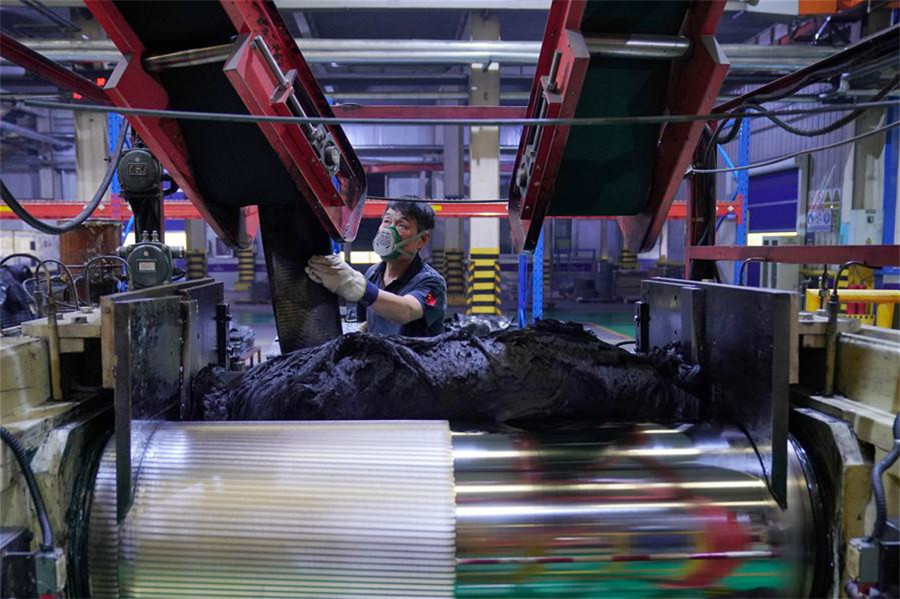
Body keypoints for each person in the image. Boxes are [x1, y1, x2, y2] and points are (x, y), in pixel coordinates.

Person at [305, 199, 446, 336]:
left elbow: (407, 310)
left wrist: (358, 286)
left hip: (415, 359)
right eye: (387, 221)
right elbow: (365, 322)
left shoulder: (432, 283)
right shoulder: (373, 273)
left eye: (402, 225)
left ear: (422, 240)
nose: (389, 231)